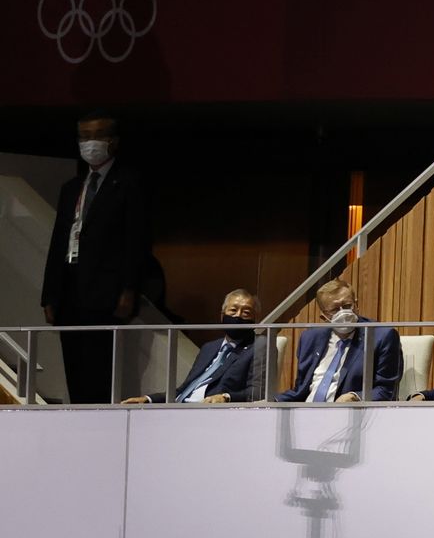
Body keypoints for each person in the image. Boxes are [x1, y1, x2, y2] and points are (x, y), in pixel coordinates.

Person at [40, 112, 151, 404]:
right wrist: (49, 295)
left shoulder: (129, 183)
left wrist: (129, 289)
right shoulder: (71, 188)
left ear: (112, 141)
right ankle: (78, 415)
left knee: (99, 366)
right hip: (69, 287)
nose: (89, 143)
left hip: (106, 291)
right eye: (83, 137)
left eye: (95, 136)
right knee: (74, 363)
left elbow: (136, 241)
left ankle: (101, 422)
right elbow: (57, 243)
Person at [123, 289, 260, 404]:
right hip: (180, 409)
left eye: (246, 313)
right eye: (233, 310)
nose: (238, 316)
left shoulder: (258, 347)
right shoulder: (209, 348)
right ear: (222, 315)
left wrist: (226, 398)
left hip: (212, 412)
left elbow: (257, 392)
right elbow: (185, 389)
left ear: (255, 319)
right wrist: (148, 399)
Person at [275, 279, 402, 402]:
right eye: (335, 309)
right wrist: (271, 401)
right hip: (307, 413)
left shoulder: (381, 336)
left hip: (350, 415)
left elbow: (386, 391)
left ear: (356, 305)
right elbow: (300, 391)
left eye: (347, 306)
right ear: (324, 317)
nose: (343, 313)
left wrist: (355, 397)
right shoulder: (310, 338)